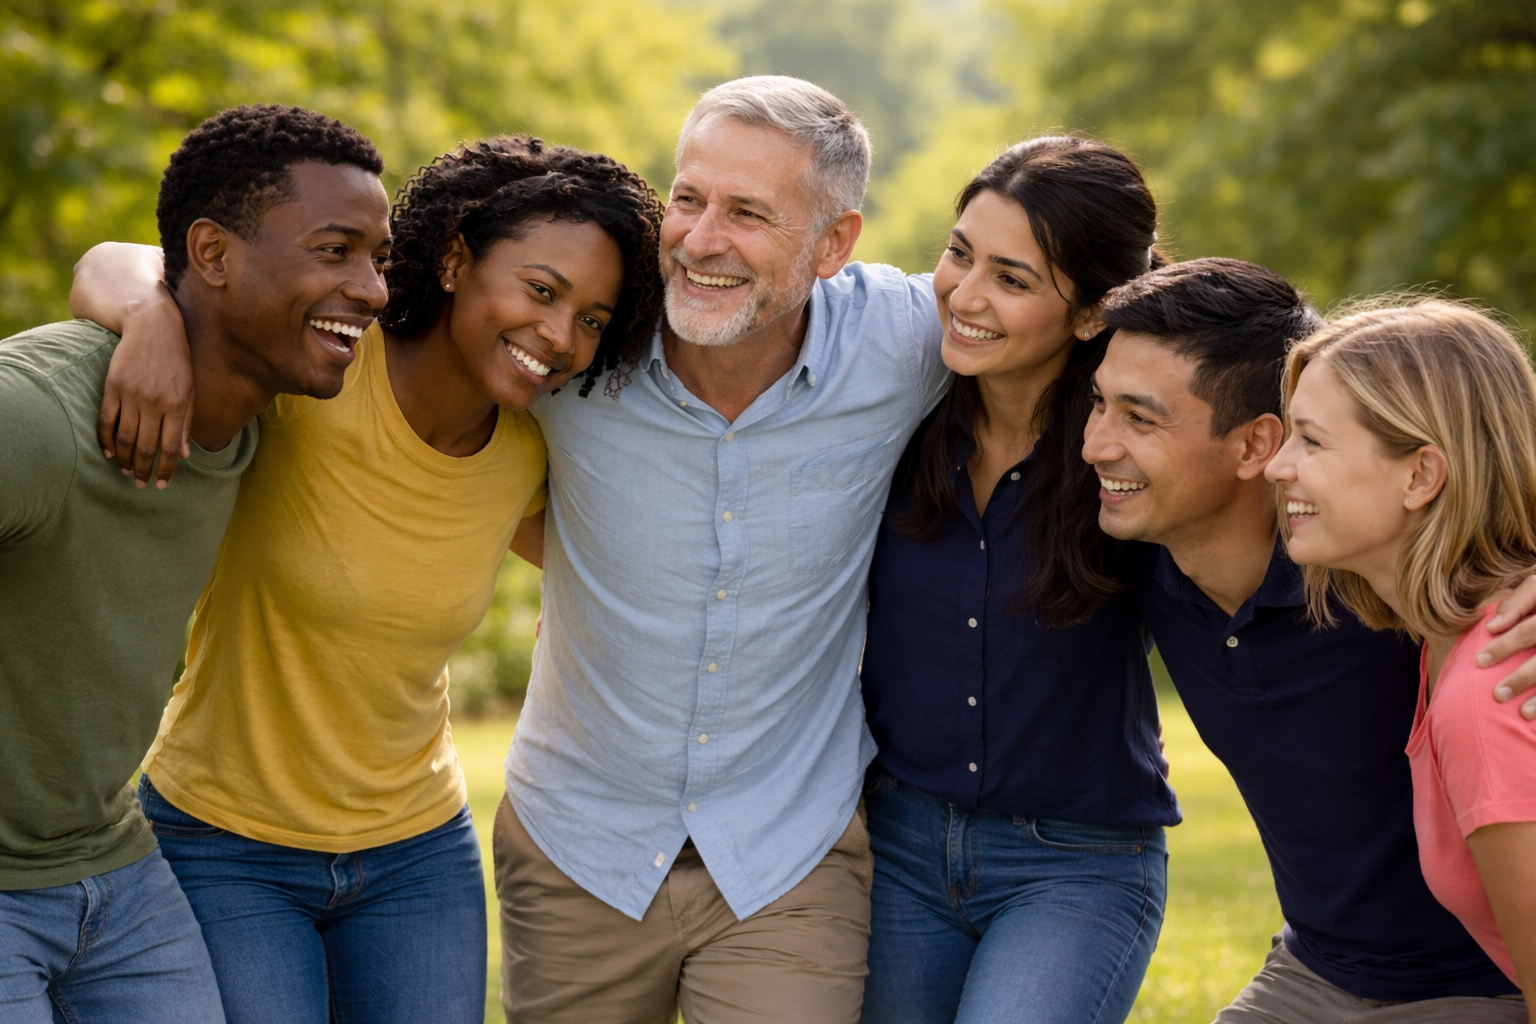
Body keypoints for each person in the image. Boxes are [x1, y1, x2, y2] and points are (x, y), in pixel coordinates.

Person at [68, 135, 664, 1023]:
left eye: (591, 318)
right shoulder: (322, 369)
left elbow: (629, 575)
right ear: (457, 259)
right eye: (541, 290)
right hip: (226, 842)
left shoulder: (529, 455)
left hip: (417, 854)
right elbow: (110, 262)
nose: (560, 335)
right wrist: (152, 321)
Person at [489, 75, 951, 1024]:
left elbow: (1087, 302)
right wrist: (136, 290)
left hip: (789, 856)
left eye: (748, 213)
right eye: (689, 199)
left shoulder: (908, 343)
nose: (701, 241)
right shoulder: (576, 335)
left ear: (833, 244)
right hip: (578, 842)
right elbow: (390, 311)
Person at [0, 104, 392, 1023]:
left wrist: (148, 306)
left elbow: (121, 258)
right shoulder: (41, 418)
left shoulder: (256, 418)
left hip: (112, 871)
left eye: (376, 257)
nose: (372, 288)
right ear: (214, 258)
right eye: (336, 251)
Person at [1082, 260, 1532, 1021]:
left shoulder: (1466, 647)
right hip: (1315, 967)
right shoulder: (1142, 556)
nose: (1093, 445)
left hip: (1477, 985)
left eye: (1312, 442)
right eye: (1097, 405)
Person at [859, 137, 1176, 1024]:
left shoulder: (1132, 453)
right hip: (899, 844)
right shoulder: (897, 417)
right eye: (959, 254)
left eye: (1012, 278)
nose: (963, 295)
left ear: (1089, 314)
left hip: (1074, 862)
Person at [1265, 299, 1536, 1013]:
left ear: (1421, 475)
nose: (1276, 466)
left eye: (1311, 442)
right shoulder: (1450, 646)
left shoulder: (1492, 689)